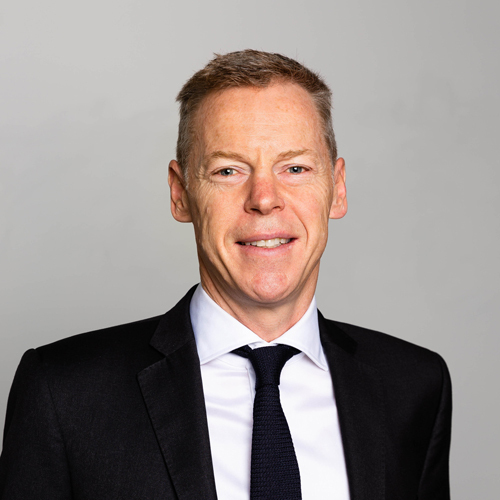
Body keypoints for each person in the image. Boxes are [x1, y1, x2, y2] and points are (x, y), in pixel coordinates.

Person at [0, 50, 452, 500]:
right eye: (228, 170)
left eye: (295, 168)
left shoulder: (414, 386)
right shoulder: (63, 394)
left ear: (337, 189)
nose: (264, 199)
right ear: (181, 194)